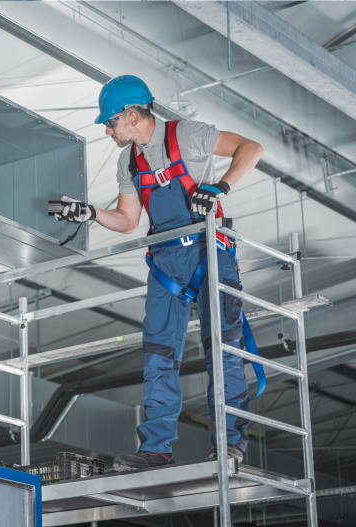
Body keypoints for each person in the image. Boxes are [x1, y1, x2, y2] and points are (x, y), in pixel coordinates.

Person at [54, 75, 264, 471]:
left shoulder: (187, 135)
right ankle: (156, 449)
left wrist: (220, 187)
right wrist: (90, 213)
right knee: (158, 355)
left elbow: (251, 148)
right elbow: (128, 220)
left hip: (209, 251)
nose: (107, 130)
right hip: (166, 262)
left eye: (110, 122)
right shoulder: (128, 162)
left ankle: (229, 443)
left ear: (132, 116)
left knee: (223, 349)